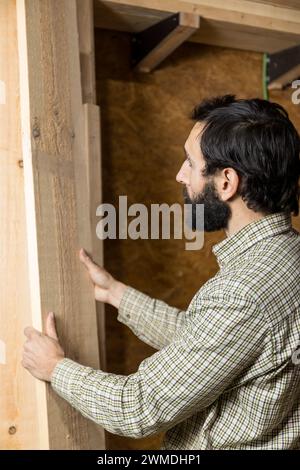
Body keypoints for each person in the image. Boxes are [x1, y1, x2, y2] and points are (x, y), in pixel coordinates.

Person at [22, 95, 300, 449]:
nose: (179, 174)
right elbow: (205, 342)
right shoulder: (287, 256)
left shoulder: (242, 292)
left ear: (227, 182)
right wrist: (117, 294)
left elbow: (139, 407)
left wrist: (55, 368)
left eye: (190, 162)